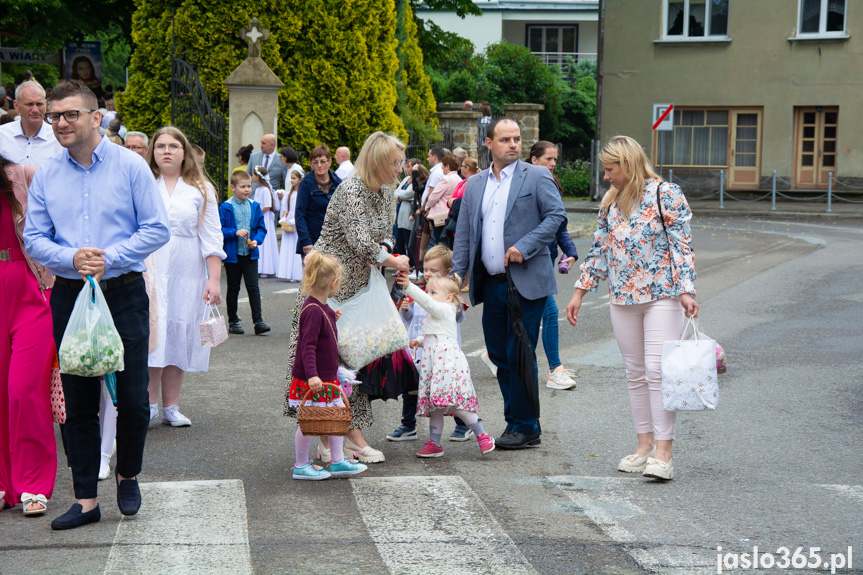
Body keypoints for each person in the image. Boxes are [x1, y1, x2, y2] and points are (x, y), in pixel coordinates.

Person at [24, 80, 170, 529]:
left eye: (70, 115)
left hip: (122, 290)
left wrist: (111, 259)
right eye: (54, 116)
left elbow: (156, 228)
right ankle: (86, 499)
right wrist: (70, 257)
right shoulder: (48, 172)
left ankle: (127, 475)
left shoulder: (130, 166)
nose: (61, 123)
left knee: (132, 397)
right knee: (79, 400)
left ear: (96, 117)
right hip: (70, 294)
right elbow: (33, 237)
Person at [565, 135, 698, 481]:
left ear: (628, 164)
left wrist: (686, 290)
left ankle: (664, 453)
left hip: (662, 296)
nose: (606, 177)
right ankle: (644, 446)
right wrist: (580, 291)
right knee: (635, 374)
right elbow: (599, 250)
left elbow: (681, 246)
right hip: (622, 298)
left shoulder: (665, 194)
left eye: (610, 170)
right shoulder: (611, 202)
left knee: (657, 372)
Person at [283, 132, 411, 465]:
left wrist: (387, 253)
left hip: (359, 283)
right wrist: (392, 260)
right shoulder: (352, 189)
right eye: (395, 163)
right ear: (379, 162)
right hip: (329, 283)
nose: (400, 169)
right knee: (328, 359)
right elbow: (357, 240)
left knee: (354, 362)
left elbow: (383, 235)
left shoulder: (384, 190)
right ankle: (340, 437)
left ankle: (336, 435)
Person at [451, 117, 565, 450]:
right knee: (500, 356)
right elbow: (465, 237)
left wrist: (524, 247)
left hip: (526, 281)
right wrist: (456, 283)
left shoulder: (538, 175)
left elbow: (556, 217)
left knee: (520, 354)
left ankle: (525, 425)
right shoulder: (475, 185)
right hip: (492, 283)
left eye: (517, 138)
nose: (513, 144)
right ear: (488, 144)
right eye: (505, 139)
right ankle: (516, 421)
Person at [145, 126, 225, 428]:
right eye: (161, 145)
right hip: (149, 271)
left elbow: (211, 237)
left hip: (187, 272)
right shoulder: (142, 184)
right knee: (154, 334)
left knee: (179, 332)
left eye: (173, 146)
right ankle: (149, 404)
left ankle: (171, 406)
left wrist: (214, 279)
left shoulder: (201, 189)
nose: (166, 151)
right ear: (153, 151)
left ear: (184, 152)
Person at [0, 154, 56, 516]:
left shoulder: (20, 174)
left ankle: (33, 483)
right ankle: (4, 484)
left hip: (29, 289)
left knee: (24, 389)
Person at [394, 272, 495, 458]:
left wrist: (409, 286)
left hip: (447, 365)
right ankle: (435, 443)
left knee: (457, 405)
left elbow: (428, 303)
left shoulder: (447, 309)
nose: (429, 295)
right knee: (435, 407)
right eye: (428, 291)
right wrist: (419, 340)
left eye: (433, 292)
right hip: (435, 365)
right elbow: (434, 335)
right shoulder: (436, 314)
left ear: (448, 297)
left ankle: (482, 434)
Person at [287, 252, 368, 480]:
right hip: (315, 379)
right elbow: (308, 346)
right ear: (332, 283)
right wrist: (312, 376)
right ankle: (301, 465)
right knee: (308, 421)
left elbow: (321, 323)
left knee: (335, 418)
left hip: (325, 376)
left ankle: (337, 460)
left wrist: (332, 314)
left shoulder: (320, 306)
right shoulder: (313, 310)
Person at [387, 245, 472, 442]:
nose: (428, 274)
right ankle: (408, 425)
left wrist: (455, 302)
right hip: (420, 352)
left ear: (447, 272)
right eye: (425, 269)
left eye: (434, 271)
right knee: (412, 388)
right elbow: (409, 320)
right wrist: (406, 310)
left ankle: (464, 424)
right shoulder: (419, 292)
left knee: (449, 390)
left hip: (443, 355)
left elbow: (458, 317)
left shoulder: (450, 296)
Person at [529, 141, 579, 390]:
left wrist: (571, 251)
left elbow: (558, 224)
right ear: (533, 159)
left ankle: (494, 356)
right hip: (528, 259)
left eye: (555, 160)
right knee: (548, 311)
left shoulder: (551, 184)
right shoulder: (525, 184)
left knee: (531, 311)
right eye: (548, 159)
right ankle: (554, 370)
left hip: (546, 258)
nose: (552, 164)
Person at [220, 171, 269, 336]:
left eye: (249, 186)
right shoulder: (225, 207)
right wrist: (234, 232)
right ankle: (233, 321)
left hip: (250, 254)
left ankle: (258, 321)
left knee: (253, 287)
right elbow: (219, 229)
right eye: (243, 187)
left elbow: (261, 228)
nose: (247, 189)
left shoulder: (254, 206)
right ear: (233, 187)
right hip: (232, 256)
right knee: (233, 288)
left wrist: (257, 240)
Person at [0, 81, 63, 166]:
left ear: (45, 104)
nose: (35, 110)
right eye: (29, 104)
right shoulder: (2, 135)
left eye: (39, 104)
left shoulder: (58, 139)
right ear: (16, 106)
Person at [295, 144, 342, 256]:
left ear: (330, 162)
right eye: (315, 162)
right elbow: (300, 214)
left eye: (323, 161)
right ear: (311, 165)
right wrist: (306, 241)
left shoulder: (339, 184)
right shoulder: (306, 184)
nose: (319, 165)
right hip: (312, 241)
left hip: (334, 242)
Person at [425, 154, 460, 245]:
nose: (442, 169)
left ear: (448, 166)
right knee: (449, 243)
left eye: (443, 166)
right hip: (452, 215)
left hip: (441, 216)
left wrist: (427, 207)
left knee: (441, 243)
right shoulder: (459, 179)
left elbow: (433, 196)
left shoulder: (446, 179)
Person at [277, 170, 304, 281]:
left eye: (294, 178)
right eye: (291, 178)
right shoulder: (288, 193)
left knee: (295, 248)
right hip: (288, 222)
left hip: (296, 221)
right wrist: (283, 217)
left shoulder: (302, 193)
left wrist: (296, 220)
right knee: (287, 247)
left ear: (300, 179)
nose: (292, 180)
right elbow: (286, 209)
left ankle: (297, 274)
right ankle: (287, 273)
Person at [252, 166, 279, 277]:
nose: (252, 177)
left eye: (253, 175)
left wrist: (256, 213)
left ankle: (266, 268)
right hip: (259, 217)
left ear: (258, 177)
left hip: (264, 218)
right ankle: (259, 267)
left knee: (265, 242)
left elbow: (267, 206)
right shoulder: (258, 189)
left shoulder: (265, 190)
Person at [393, 158, 418, 267]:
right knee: (399, 241)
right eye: (407, 166)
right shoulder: (407, 178)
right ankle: (399, 263)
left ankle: (410, 264)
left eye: (409, 166)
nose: (406, 168)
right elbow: (396, 192)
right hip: (399, 216)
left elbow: (406, 194)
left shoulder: (416, 181)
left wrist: (401, 196)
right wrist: (401, 196)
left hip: (407, 216)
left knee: (408, 242)